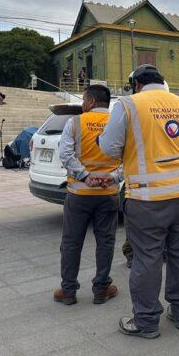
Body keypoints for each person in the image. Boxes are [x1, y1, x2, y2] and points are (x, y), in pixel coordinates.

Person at [99, 64, 179, 339]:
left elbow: (110, 148)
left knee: (147, 258)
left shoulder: (128, 105)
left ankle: (146, 321)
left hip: (147, 199)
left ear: (136, 84)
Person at [54, 84, 122, 306]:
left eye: (84, 100)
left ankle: (68, 291)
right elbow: (129, 159)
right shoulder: (119, 123)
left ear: (91, 101)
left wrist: (85, 176)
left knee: (72, 242)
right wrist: (111, 177)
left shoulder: (75, 122)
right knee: (105, 242)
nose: (83, 104)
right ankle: (102, 288)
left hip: (79, 194)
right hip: (108, 193)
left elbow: (65, 154)